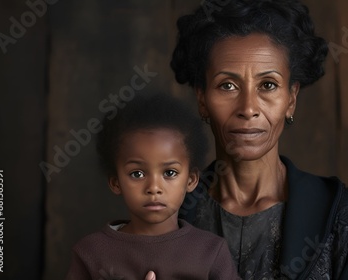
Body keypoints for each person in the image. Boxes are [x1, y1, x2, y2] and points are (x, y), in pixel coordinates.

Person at [167, 0, 348, 279]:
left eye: (268, 85)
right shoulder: (166, 213)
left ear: (291, 99)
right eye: (228, 85)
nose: (248, 108)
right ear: (202, 99)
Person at [65, 93, 240, 280]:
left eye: (170, 173)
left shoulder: (211, 252)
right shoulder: (91, 253)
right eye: (137, 174)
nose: (154, 187)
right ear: (115, 182)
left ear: (191, 180)